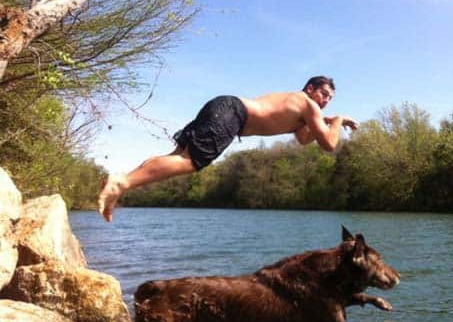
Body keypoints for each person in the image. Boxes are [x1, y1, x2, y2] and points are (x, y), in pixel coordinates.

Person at [97, 76, 359, 222]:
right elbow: (328, 144)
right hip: (233, 114)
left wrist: (325, 121)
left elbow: (304, 138)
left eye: (330, 99)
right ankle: (121, 182)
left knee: (178, 158)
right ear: (310, 89)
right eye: (323, 94)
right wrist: (337, 120)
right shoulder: (308, 105)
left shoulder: (301, 108)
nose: (325, 101)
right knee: (190, 162)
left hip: (224, 107)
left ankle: (122, 185)